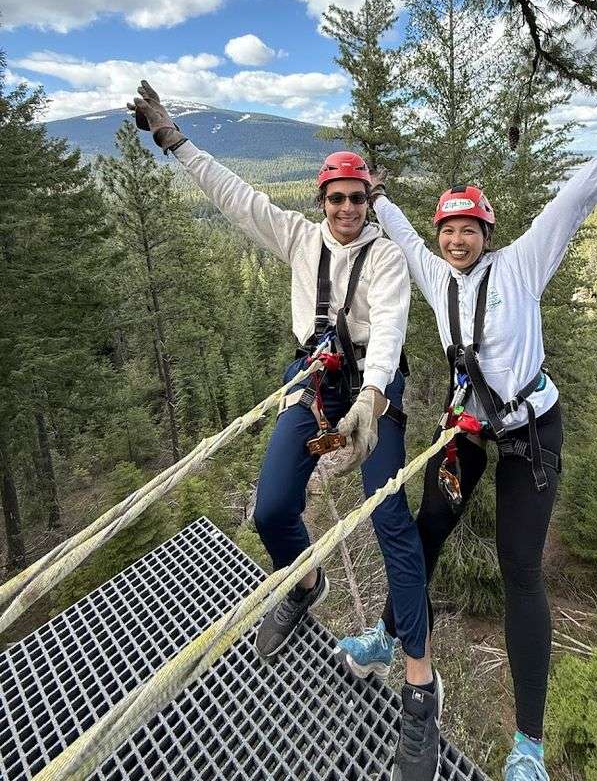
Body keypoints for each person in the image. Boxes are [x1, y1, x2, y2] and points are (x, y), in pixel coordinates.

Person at [336, 91, 597, 781]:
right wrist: (376, 197)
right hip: (469, 425)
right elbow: (400, 231)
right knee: (428, 529)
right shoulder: (435, 275)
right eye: (448, 230)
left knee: (520, 570)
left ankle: (529, 746)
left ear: (487, 233)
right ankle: (388, 634)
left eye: (468, 229)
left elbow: (569, 206)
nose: (456, 240)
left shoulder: (522, 266)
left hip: (530, 433)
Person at [128, 81, 443, 781]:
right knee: (272, 508)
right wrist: (176, 140)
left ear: (369, 201)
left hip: (371, 386)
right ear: (321, 200)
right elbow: (234, 196)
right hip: (312, 377)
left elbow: (390, 328)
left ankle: (420, 684)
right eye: (336, 198)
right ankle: (303, 583)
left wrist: (373, 396)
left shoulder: (387, 257)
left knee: (389, 518)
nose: (346, 209)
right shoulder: (299, 239)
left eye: (357, 198)